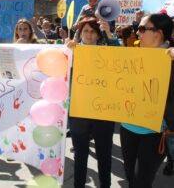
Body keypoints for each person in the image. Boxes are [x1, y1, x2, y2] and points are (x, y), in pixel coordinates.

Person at [120, 13, 174, 188]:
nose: (137, 33)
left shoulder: (171, 59)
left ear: (158, 33)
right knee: (130, 175)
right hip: (128, 126)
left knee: (142, 182)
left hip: (156, 131)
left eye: (142, 29)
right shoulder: (133, 55)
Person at [66, 16, 120, 188]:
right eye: (85, 31)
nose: (88, 35)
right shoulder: (72, 51)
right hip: (79, 111)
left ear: (98, 35)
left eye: (92, 31)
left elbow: (122, 56)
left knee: (104, 155)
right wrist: (67, 51)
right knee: (80, 155)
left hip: (103, 112)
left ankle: (105, 185)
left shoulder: (107, 50)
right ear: (80, 34)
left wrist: (110, 34)